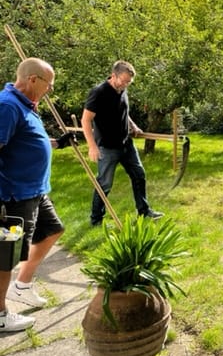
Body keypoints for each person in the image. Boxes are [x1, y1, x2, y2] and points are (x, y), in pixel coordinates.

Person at [0, 58, 75, 332]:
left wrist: (57, 143)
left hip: (34, 191)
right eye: (49, 85)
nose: (50, 90)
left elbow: (25, 143)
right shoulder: (7, 106)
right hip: (13, 196)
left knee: (53, 229)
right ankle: (0, 316)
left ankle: (22, 285)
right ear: (33, 79)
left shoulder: (26, 105)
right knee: (5, 256)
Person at [81, 60, 163, 226]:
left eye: (129, 82)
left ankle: (144, 211)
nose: (126, 85)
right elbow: (86, 120)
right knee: (104, 183)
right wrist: (92, 146)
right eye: (124, 81)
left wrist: (133, 126)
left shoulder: (122, 90)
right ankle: (96, 220)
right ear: (113, 76)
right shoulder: (99, 92)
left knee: (139, 175)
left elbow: (123, 111)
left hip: (126, 144)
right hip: (107, 147)